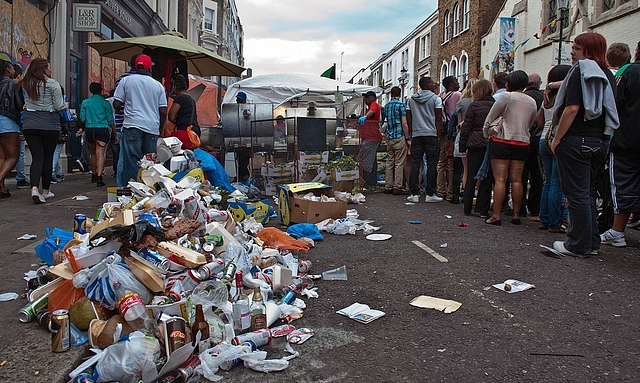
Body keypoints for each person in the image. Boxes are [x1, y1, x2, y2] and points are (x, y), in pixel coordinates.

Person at [548, 32, 619, 257]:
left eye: (577, 48)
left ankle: (576, 244)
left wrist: (557, 139)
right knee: (587, 193)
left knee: (576, 194)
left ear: (588, 51)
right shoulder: (607, 74)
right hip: (600, 141)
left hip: (576, 139)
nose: (572, 52)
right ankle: (591, 242)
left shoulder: (581, 71)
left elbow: (572, 108)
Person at [483, 70, 537, 226]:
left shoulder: (506, 97)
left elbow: (490, 118)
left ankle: (496, 216)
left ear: (509, 84)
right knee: (517, 180)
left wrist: (486, 133)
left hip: (502, 140)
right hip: (523, 142)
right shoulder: (531, 101)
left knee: (500, 180)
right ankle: (516, 215)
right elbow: (531, 121)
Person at [599, 41, 640, 248]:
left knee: (622, 185)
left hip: (626, 141)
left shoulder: (628, 71)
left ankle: (617, 231)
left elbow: (614, 104)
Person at [113, 54, 167, 186]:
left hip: (132, 125)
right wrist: (159, 127)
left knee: (131, 161)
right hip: (152, 127)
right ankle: (148, 191)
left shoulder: (126, 81)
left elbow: (116, 105)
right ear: (149, 69)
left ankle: (131, 192)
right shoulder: (158, 85)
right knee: (150, 162)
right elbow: (163, 110)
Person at [21, 58, 66, 204]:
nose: (51, 70)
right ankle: (46, 191)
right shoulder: (53, 84)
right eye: (49, 67)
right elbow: (59, 106)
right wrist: (65, 106)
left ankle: (34, 188)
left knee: (37, 158)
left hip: (30, 124)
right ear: (44, 69)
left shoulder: (26, 84)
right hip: (49, 125)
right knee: (48, 157)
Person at [537, 65, 571, 234]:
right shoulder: (566, 95)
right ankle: (555, 222)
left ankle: (544, 219)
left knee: (548, 182)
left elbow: (539, 121)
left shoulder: (547, 97)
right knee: (557, 183)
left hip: (544, 139)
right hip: (559, 139)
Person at [459, 79, 495, 217]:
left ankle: (467, 207)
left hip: (474, 143)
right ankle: (482, 209)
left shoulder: (474, 106)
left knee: (472, 176)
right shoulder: (495, 104)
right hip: (490, 142)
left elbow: (466, 128)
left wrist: (463, 146)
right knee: (486, 177)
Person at [406, 76, 443, 203]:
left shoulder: (411, 99)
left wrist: (412, 132)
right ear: (427, 85)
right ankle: (430, 193)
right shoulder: (436, 99)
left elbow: (409, 117)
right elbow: (438, 118)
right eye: (432, 83)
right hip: (431, 134)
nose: (434, 84)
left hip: (417, 134)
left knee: (415, 164)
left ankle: (414, 194)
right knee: (432, 164)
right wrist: (438, 134)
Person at [79, 82, 116, 187]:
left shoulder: (85, 102)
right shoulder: (105, 103)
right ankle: (100, 177)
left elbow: (82, 119)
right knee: (100, 153)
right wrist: (115, 133)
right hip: (102, 129)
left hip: (90, 129)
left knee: (93, 152)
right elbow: (110, 120)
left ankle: (94, 174)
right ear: (101, 90)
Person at [449, 79, 477, 204]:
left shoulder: (462, 103)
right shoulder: (479, 102)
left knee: (459, 168)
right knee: (473, 169)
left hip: (462, 137)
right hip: (476, 137)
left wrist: (451, 136)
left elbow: (456, 123)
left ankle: (457, 196)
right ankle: (471, 196)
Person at [521, 73, 544, 221]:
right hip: (537, 138)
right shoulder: (543, 97)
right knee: (537, 175)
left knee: (520, 175)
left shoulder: (521, 98)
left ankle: (520, 206)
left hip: (522, 138)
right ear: (538, 83)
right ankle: (535, 207)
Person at [0, 59, 24, 199]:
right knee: (13, 156)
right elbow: (19, 104)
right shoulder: (13, 84)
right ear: (8, 69)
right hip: (8, 121)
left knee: (2, 157)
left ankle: (2, 189)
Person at [382, 86, 410, 195]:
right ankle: (397, 186)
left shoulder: (387, 106)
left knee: (390, 161)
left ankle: (388, 185)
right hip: (399, 135)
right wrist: (407, 137)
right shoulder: (401, 105)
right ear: (399, 94)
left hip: (389, 136)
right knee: (399, 162)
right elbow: (404, 123)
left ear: (390, 94)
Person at [437, 76, 461, 200]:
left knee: (441, 163)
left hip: (442, 132)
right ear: (451, 84)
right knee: (452, 163)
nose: (458, 83)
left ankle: (441, 191)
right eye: (456, 81)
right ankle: (451, 192)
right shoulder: (457, 95)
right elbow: (456, 114)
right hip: (452, 132)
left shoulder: (441, 96)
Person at [357, 91, 382, 190]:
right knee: (371, 161)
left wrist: (365, 117)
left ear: (372, 97)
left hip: (372, 138)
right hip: (369, 137)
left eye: (367, 98)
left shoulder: (374, 105)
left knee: (364, 160)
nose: (365, 100)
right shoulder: (369, 108)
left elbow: (373, 111)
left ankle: (369, 182)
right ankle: (372, 182)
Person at [168, 74, 200, 150]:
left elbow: (171, 117)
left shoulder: (180, 98)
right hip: (194, 133)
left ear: (175, 88)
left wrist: (177, 121)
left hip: (184, 133)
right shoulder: (191, 100)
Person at [11, 64, 29, 189]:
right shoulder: (17, 89)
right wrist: (23, 128)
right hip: (14, 124)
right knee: (19, 152)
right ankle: (21, 178)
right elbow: (21, 109)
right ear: (19, 76)